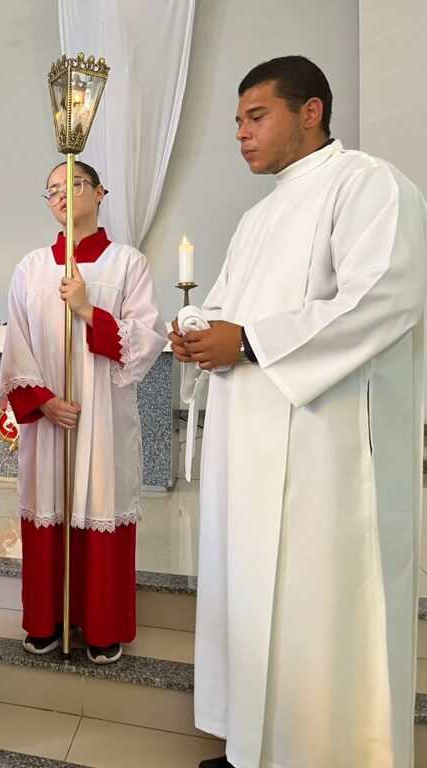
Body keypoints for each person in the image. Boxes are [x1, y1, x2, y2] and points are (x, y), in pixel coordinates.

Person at [168, 55, 427, 768]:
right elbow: (227, 305)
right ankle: (253, 745)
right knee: (255, 601)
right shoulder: (259, 216)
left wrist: (248, 340)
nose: (243, 135)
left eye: (258, 117)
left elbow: (385, 298)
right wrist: (197, 329)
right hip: (250, 447)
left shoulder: (369, 184)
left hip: (328, 454)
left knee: (319, 608)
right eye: (239, 123)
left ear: (311, 112)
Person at [0, 162, 164, 662]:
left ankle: (102, 626)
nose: (63, 195)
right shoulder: (30, 267)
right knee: (48, 498)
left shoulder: (126, 263)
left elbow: (146, 339)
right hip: (51, 418)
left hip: (102, 416)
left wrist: (91, 310)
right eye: (52, 190)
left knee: (99, 501)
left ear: (100, 192)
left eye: (72, 184)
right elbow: (16, 343)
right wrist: (42, 400)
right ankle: (46, 620)